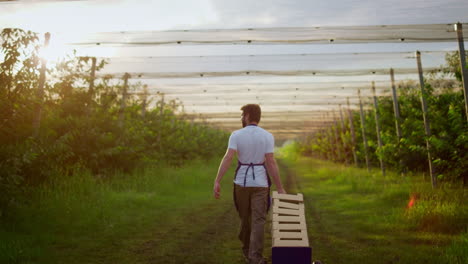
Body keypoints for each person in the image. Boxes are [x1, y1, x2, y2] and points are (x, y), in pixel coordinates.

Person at [213, 104, 286, 264]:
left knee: (246, 218)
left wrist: (217, 180)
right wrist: (280, 187)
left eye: (242, 115)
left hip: (241, 182)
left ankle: (250, 252)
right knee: (258, 219)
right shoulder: (267, 136)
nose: (241, 118)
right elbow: (271, 162)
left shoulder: (236, 135)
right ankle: (254, 255)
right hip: (261, 182)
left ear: (247, 116)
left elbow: (228, 158)